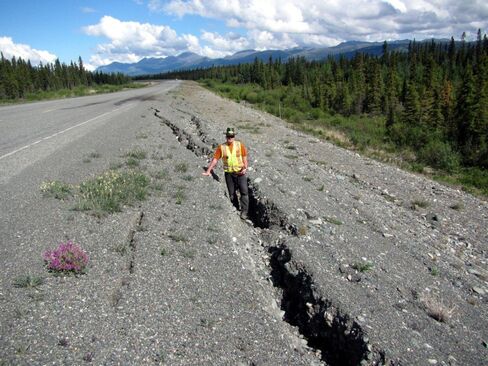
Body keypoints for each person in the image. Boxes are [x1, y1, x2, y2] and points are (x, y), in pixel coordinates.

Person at [202, 127, 249, 219]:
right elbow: (215, 159)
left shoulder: (240, 145)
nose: (230, 138)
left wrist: (245, 168)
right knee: (231, 194)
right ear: (226, 137)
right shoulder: (221, 147)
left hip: (240, 173)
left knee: (244, 192)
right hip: (229, 174)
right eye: (228, 136)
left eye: (231, 136)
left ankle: (244, 212)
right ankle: (235, 208)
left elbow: (244, 158)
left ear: (234, 136)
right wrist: (208, 171)